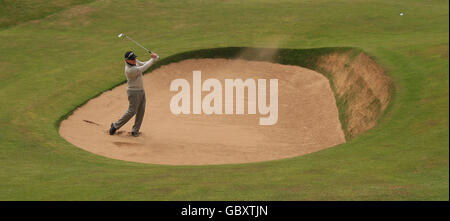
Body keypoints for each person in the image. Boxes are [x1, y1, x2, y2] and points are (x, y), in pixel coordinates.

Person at [109, 51, 159, 137]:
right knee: (132, 111)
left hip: (141, 90)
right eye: (132, 59)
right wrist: (153, 59)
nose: (134, 60)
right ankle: (115, 125)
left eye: (135, 58)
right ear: (127, 60)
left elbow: (143, 63)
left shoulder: (135, 62)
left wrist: (154, 59)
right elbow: (143, 68)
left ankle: (135, 130)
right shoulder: (130, 70)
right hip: (133, 92)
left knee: (141, 110)